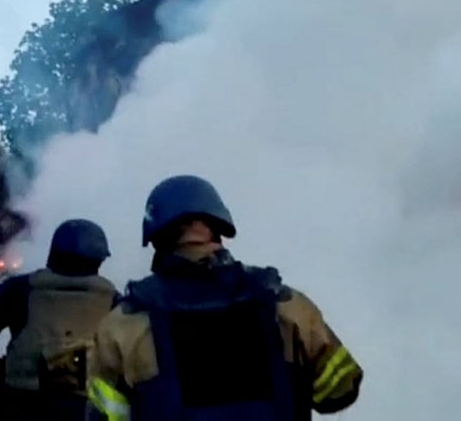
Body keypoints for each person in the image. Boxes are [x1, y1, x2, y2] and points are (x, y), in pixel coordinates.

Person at [87, 175, 363, 421]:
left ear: (157, 239)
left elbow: (104, 416)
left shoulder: (125, 325)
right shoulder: (286, 307)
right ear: (218, 229)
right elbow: (339, 391)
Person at [0, 218, 120, 421]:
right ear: (99, 260)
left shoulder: (20, 290)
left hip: (19, 406)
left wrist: (0, 371)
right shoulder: (114, 302)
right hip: (84, 410)